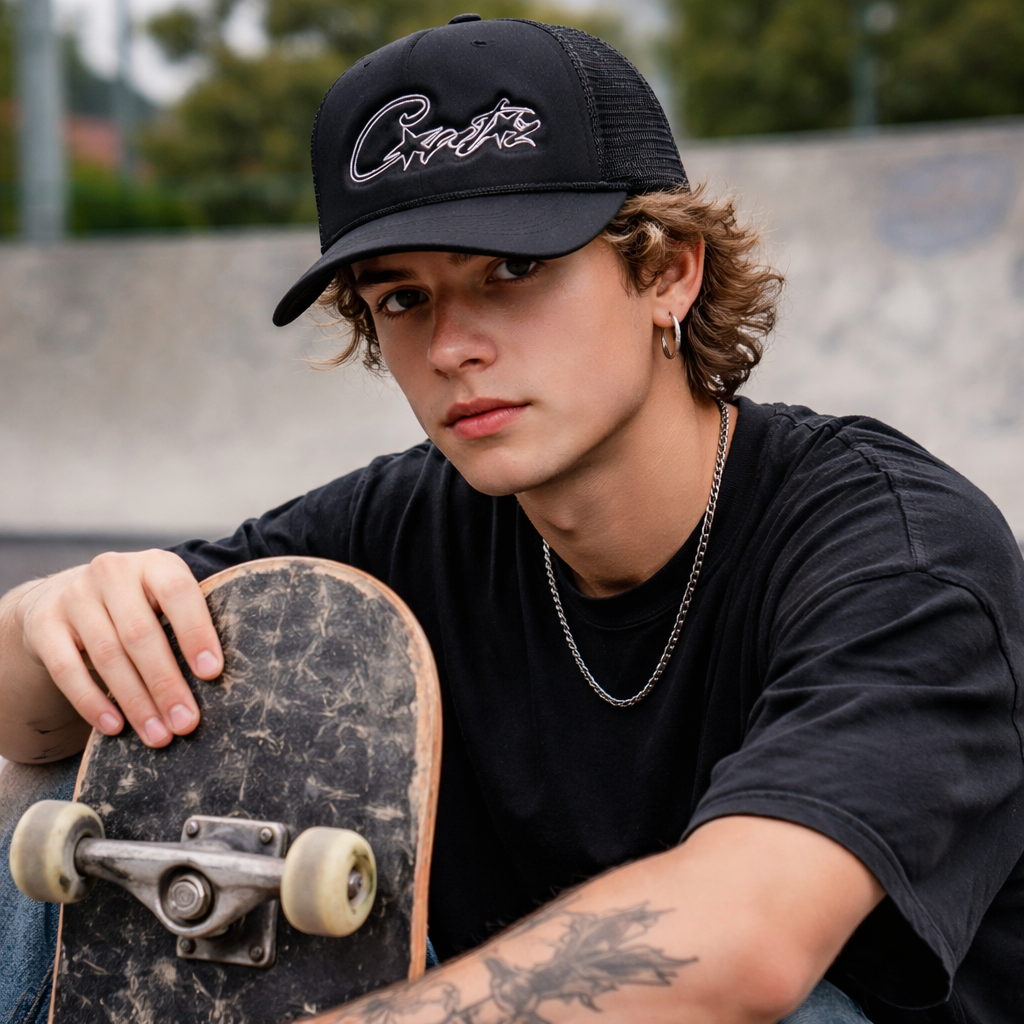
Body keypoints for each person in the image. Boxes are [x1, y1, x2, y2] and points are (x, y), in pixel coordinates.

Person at [1, 16, 1022, 1024]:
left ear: (668, 272)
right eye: (403, 299)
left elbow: (747, 946)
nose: (452, 346)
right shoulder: (401, 525)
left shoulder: (900, 551)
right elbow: (24, 723)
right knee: (70, 790)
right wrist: (50, 617)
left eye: (513, 270)